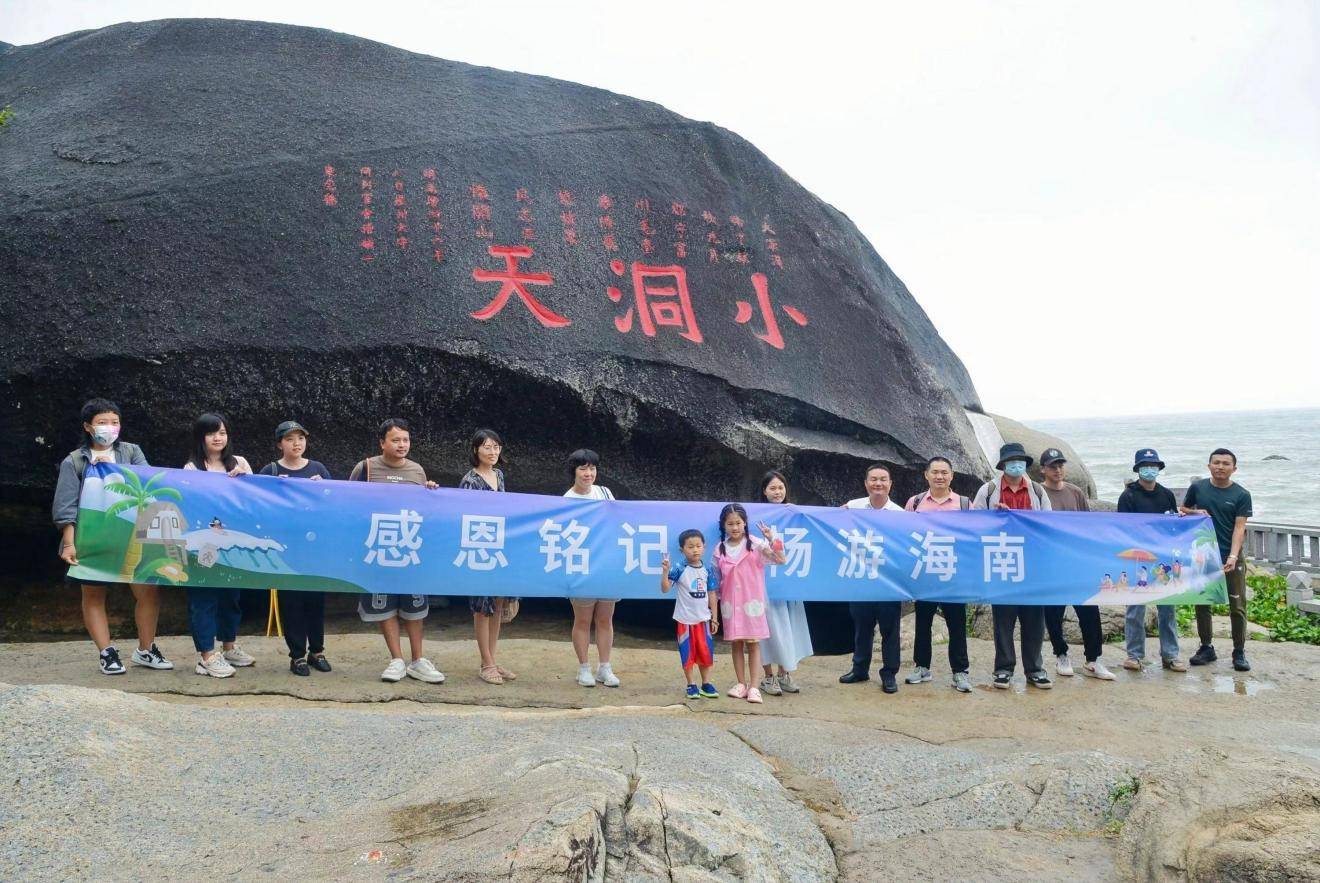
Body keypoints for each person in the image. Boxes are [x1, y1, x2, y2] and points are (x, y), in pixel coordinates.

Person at [52, 397, 173, 675]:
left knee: (149, 590)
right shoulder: (75, 460)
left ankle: (146, 649)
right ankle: (106, 653)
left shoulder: (131, 451)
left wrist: (117, 471)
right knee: (94, 595)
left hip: (131, 535)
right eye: (102, 422)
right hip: (90, 538)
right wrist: (69, 543)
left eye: (114, 422)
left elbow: (148, 483)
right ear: (88, 426)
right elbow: (66, 506)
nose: (109, 427)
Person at [349, 418, 445, 685]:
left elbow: (426, 511)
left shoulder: (417, 470)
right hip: (378, 548)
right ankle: (397, 659)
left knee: (414, 605)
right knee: (385, 605)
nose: (402, 445)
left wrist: (431, 492)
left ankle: (418, 660)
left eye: (405, 440)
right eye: (395, 440)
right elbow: (347, 502)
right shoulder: (365, 468)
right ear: (382, 443)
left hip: (410, 549)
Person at [972, 443, 1053, 690]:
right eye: (1011, 461)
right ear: (1003, 465)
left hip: (1032, 564)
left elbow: (1049, 523)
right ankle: (1003, 669)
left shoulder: (1037, 490)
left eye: (1020, 461)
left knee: (1034, 620)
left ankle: (1035, 669)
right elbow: (974, 524)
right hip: (1002, 562)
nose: (1016, 465)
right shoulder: (988, 490)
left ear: (1026, 464)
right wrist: (994, 518)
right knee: (1003, 621)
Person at [182, 413, 255, 678]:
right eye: (212, 433)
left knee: (230, 597)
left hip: (230, 544)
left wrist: (245, 481)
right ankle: (206, 656)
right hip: (203, 546)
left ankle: (229, 646)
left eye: (222, 432)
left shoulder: (240, 462)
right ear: (201, 437)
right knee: (203, 597)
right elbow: (190, 505)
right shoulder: (191, 468)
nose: (218, 438)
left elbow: (254, 500)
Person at [259, 420, 332, 676]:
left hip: (315, 548)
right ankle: (297, 655)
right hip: (285, 548)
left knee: (316, 601)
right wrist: (274, 490)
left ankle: (317, 651)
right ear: (280, 444)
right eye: (289, 439)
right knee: (291, 603)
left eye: (300, 438)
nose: (296, 443)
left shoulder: (318, 468)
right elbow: (258, 505)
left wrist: (322, 489)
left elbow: (334, 505)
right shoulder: (270, 471)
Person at [1038, 448, 1115, 681]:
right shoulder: (1038, 492)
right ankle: (1061, 654)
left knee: (1090, 611)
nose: (1058, 470)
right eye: (1052, 466)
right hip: (1051, 564)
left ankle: (1093, 659)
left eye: (1060, 465)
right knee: (1053, 612)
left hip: (1077, 562)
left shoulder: (1075, 492)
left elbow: (1087, 524)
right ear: (1043, 469)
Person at [902, 456, 972, 693]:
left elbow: (974, 536)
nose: (939, 476)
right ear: (926, 475)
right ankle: (922, 667)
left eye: (944, 472)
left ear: (952, 476)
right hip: (925, 573)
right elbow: (903, 533)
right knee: (923, 622)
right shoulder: (915, 502)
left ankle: (960, 672)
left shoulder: (964, 503)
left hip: (953, 574)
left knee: (957, 624)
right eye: (935, 472)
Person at [1180, 448, 1253, 671]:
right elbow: (1183, 508)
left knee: (1237, 605)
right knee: (1203, 602)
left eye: (1226, 463)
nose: (1220, 466)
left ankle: (1239, 651)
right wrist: (1195, 512)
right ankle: (1206, 647)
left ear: (1234, 468)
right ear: (1209, 465)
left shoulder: (1241, 494)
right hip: (1203, 555)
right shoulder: (1198, 488)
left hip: (1231, 556)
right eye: (1216, 462)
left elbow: (1239, 528)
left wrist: (1233, 556)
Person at [1117, 448, 1187, 673]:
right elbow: (1122, 529)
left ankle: (1171, 655)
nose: (1149, 470)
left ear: (1159, 468)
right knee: (1135, 608)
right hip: (1138, 559)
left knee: (1167, 609)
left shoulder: (1166, 494)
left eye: (1153, 466)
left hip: (1163, 558)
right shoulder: (1128, 496)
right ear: (1138, 469)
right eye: (1145, 466)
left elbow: (1172, 525)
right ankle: (1134, 655)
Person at [459, 428, 519, 685]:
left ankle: (492, 658)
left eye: (496, 447)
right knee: (482, 607)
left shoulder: (499, 475)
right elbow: (464, 515)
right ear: (476, 450)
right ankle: (486, 663)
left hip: (499, 547)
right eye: (487, 447)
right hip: (478, 548)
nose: (492, 452)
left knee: (496, 604)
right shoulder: (470, 480)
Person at [713, 503, 787, 704]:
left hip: (752, 604)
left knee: (753, 644)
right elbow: (716, 580)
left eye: (738, 523)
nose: (735, 527)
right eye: (730, 524)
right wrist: (714, 606)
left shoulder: (755, 544)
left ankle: (754, 686)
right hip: (730, 605)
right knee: (736, 643)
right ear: (724, 525)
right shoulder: (719, 549)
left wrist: (771, 539)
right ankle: (741, 683)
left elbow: (781, 559)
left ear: (745, 523)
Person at [839, 463, 904, 693]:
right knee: (861, 627)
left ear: (890, 484)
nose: (878, 483)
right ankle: (860, 669)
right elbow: (831, 525)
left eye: (883, 479)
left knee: (890, 630)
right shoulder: (852, 507)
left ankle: (889, 673)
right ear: (866, 483)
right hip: (861, 580)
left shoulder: (900, 515)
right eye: (874, 479)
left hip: (888, 583)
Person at [563, 448, 621, 688]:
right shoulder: (567, 500)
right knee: (583, 620)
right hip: (581, 566)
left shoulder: (605, 492)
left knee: (605, 619)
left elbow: (617, 522)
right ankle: (584, 668)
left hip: (606, 565)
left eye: (592, 468)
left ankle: (605, 667)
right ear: (574, 471)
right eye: (583, 468)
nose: (588, 473)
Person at [756, 470, 813, 696]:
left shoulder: (795, 514)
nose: (777, 492)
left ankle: (784, 674)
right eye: (772, 488)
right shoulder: (755, 516)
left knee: (788, 629)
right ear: (764, 491)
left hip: (790, 583)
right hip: (765, 585)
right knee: (766, 630)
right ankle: (768, 677)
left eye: (781, 487)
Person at [660, 529, 721, 699]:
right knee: (687, 653)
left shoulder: (708, 570)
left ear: (704, 547)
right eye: (690, 547)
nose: (695, 550)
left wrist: (715, 618)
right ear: (682, 550)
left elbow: (712, 594)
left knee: (705, 652)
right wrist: (665, 572)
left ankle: (706, 684)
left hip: (703, 620)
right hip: (685, 620)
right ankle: (691, 684)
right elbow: (665, 589)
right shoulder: (679, 568)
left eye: (698, 546)